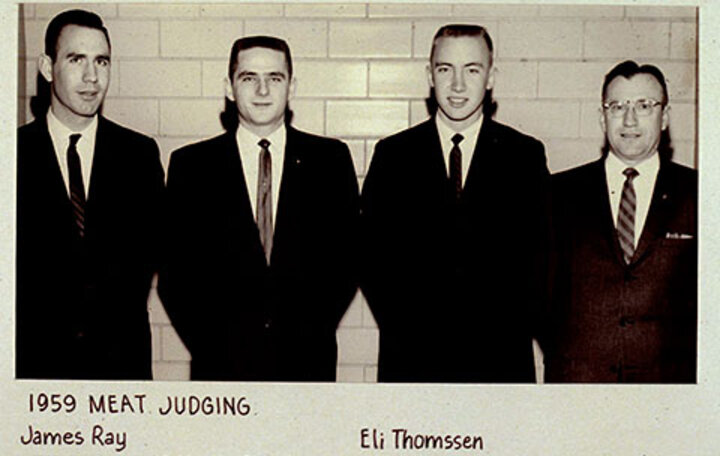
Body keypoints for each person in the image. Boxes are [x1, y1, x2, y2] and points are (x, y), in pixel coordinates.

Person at [158, 36, 359, 381]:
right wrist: (218, 346)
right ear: (229, 87)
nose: (262, 90)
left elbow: (347, 264)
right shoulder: (191, 166)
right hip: (222, 372)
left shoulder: (330, 160)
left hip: (306, 369)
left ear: (291, 87)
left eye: (275, 78)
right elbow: (175, 278)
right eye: (249, 78)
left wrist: (304, 336)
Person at [361, 24, 550, 383]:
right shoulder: (394, 155)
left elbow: (539, 257)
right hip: (413, 361)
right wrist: (412, 327)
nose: (458, 85)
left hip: (499, 362)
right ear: (429, 75)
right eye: (445, 69)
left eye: (472, 70)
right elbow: (371, 258)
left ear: (491, 76)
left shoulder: (523, 155)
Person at [16, 10, 165, 379]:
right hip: (36, 372)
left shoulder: (140, 155)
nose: (91, 77)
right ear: (47, 67)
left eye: (101, 61)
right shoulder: (12, 154)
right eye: (76, 59)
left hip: (120, 373)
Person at [545, 61, 697, 383]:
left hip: (666, 395)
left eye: (644, 105)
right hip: (579, 390)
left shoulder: (700, 194)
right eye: (617, 107)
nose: (629, 119)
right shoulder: (558, 194)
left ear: (665, 116)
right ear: (602, 117)